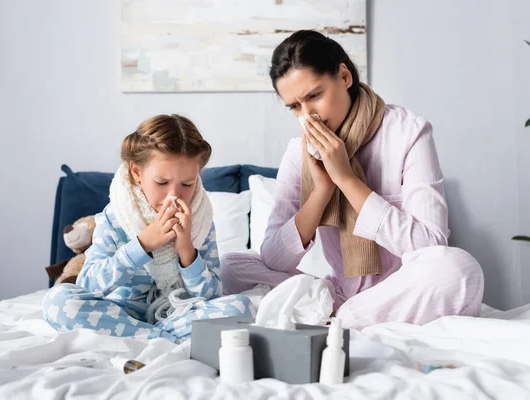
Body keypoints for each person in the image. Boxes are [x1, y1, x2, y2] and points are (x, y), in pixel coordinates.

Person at [220, 30, 484, 330]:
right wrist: (321, 190)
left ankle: (340, 322)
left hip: (399, 290)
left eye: (314, 96)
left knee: (459, 268)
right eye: (294, 107)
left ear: (344, 76)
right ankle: (337, 315)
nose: (308, 117)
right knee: (231, 266)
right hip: (338, 293)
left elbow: (431, 246)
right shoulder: (300, 153)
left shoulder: (408, 133)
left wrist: (347, 179)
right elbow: (273, 259)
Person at [43, 114, 253, 343]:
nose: (174, 195)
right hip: (120, 314)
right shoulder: (114, 218)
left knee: (241, 308)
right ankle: (162, 339)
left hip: (179, 313)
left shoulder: (200, 221)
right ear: (136, 173)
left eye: (187, 184)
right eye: (162, 183)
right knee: (58, 301)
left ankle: (146, 338)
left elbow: (211, 295)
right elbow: (88, 284)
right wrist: (142, 245)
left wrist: (187, 252)